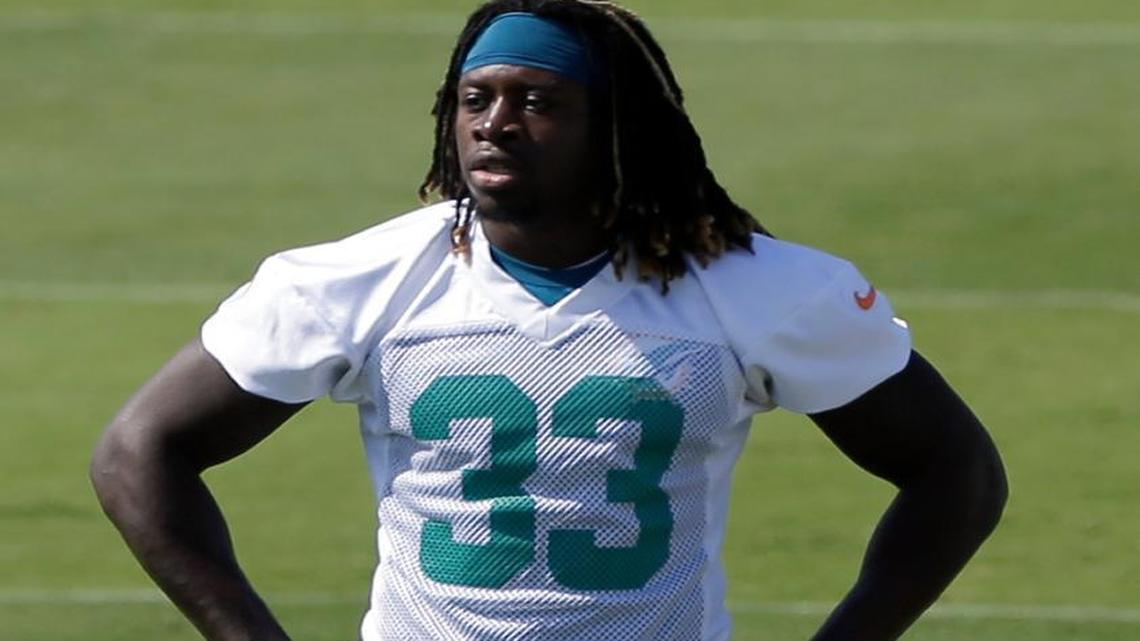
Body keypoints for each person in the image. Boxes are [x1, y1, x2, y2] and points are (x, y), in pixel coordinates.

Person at [90, 1, 1008, 640]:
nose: (495, 123)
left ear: (617, 130)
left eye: (538, 101)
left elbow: (955, 469)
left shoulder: (755, 290)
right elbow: (138, 450)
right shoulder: (360, 280)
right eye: (477, 98)